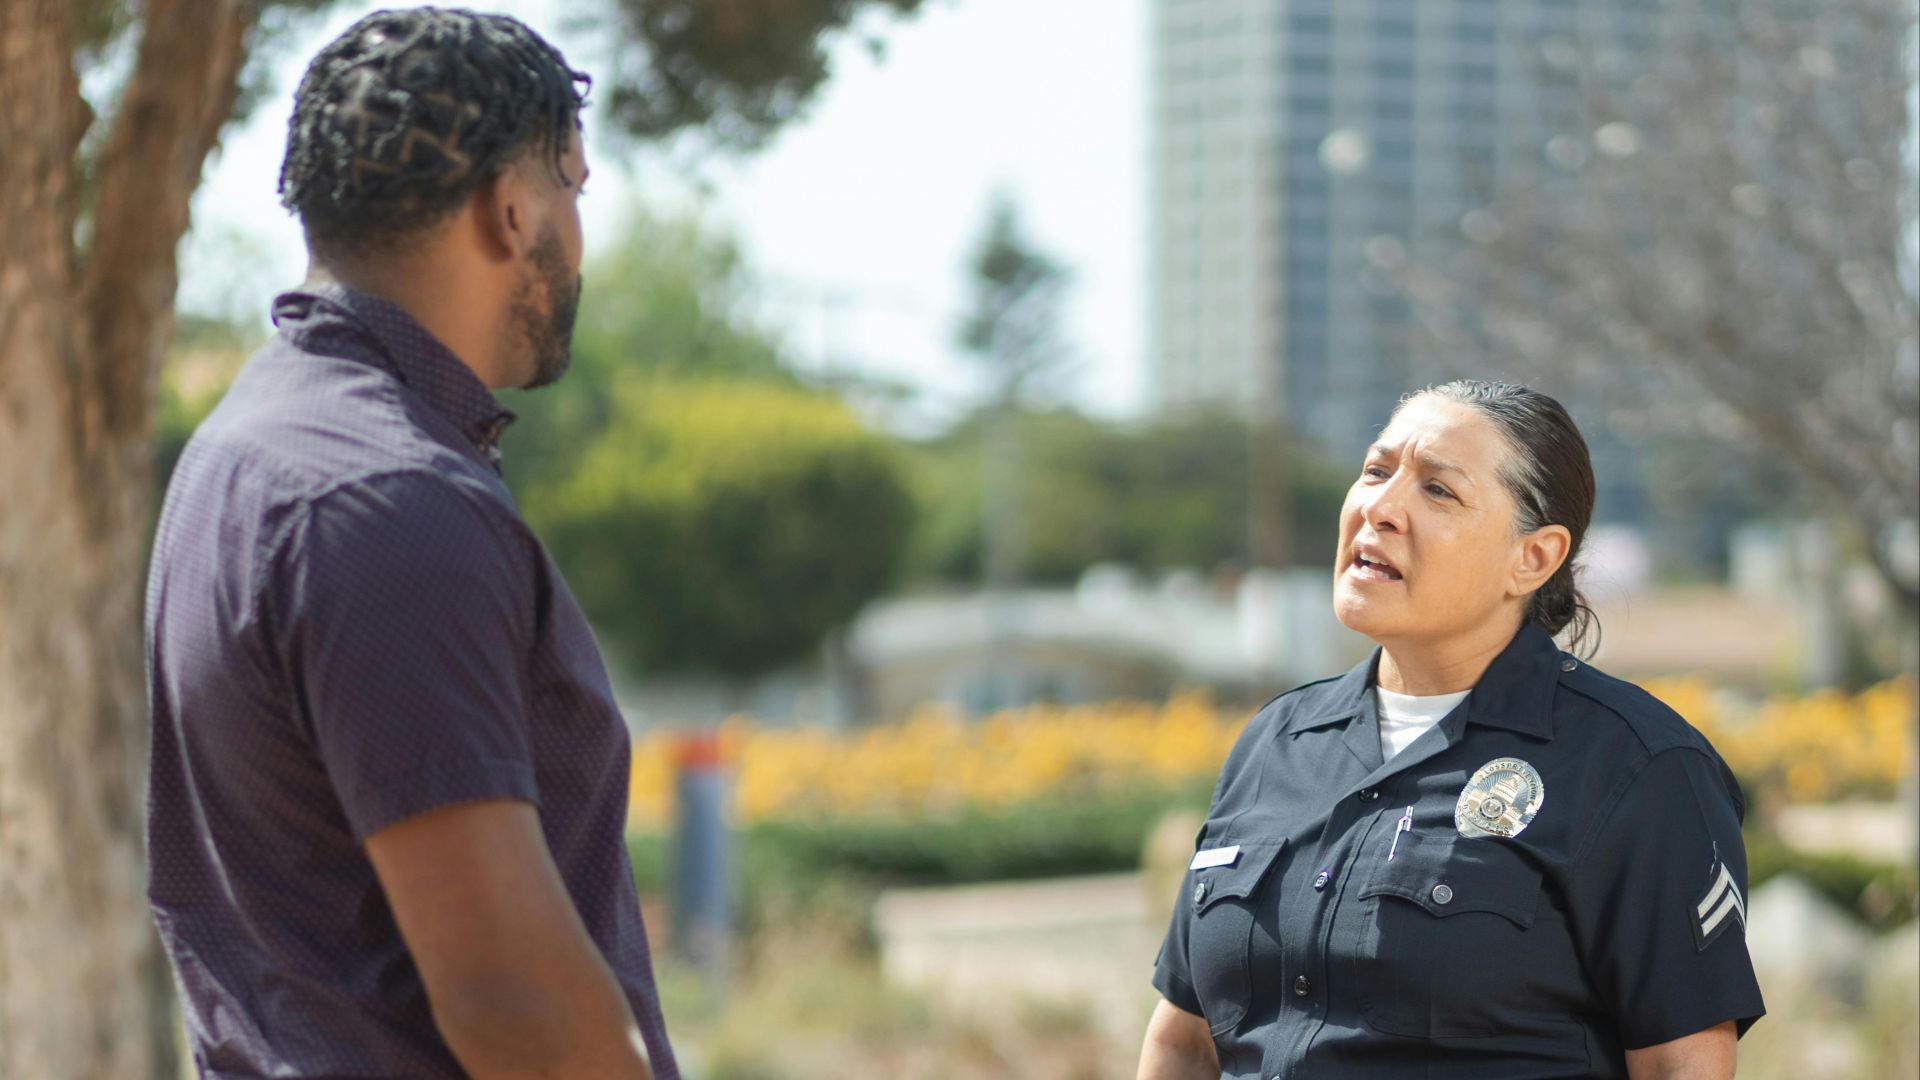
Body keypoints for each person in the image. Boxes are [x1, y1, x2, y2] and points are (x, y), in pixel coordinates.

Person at [145, 9, 674, 1078]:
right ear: (511, 207)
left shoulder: (241, 454)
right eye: (574, 184)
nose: (577, 231)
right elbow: (511, 999)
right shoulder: (388, 501)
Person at [1135, 381, 1764, 1080]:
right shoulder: (1275, 742)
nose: (1381, 507)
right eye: (1376, 471)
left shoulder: (1637, 766)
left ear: (1533, 558)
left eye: (1438, 491)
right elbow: (1184, 1043)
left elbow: (1681, 1067)